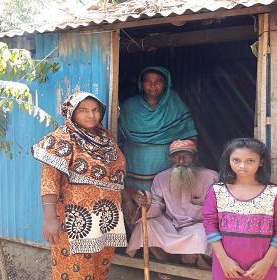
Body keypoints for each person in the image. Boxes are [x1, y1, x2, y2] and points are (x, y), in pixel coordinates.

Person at [31, 92, 129, 280]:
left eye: (95, 110)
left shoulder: (106, 140)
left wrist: (129, 203)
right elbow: (49, 181)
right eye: (83, 110)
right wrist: (50, 219)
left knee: (101, 268)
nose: (91, 115)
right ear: (71, 112)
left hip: (107, 219)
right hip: (75, 221)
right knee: (75, 271)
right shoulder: (60, 140)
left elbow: (115, 178)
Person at [126, 140, 219, 279]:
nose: (181, 161)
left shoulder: (211, 177)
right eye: (176, 156)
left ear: (196, 157)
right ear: (170, 158)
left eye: (186, 156)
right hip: (171, 224)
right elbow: (157, 206)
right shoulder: (161, 178)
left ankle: (202, 270)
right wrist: (146, 204)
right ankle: (167, 263)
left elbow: (217, 209)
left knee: (205, 234)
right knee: (146, 226)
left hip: (198, 225)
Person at [201, 138, 277, 280]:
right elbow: (210, 225)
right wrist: (222, 259)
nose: (242, 166)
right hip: (226, 267)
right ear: (229, 161)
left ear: (261, 162)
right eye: (236, 160)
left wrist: (266, 262)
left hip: (261, 268)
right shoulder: (217, 191)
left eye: (250, 161)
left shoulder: (274, 194)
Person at [118, 66, 198, 219]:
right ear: (141, 84)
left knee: (164, 199)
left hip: (164, 161)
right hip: (135, 161)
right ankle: (138, 237)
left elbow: (190, 136)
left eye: (158, 81)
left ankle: (165, 232)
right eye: (148, 81)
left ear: (166, 83)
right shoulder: (129, 106)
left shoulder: (175, 105)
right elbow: (118, 136)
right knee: (138, 204)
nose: (153, 85)